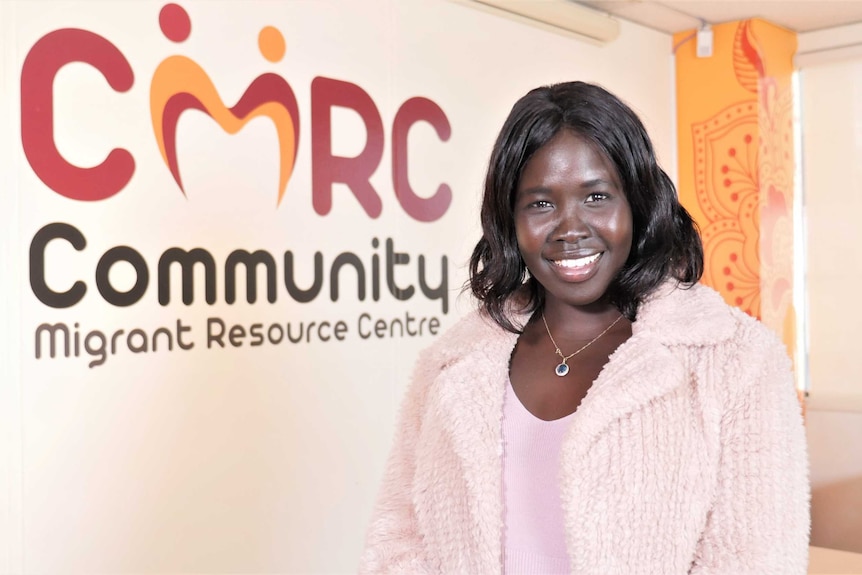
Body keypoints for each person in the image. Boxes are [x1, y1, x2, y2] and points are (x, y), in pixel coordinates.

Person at [358, 81, 809, 575]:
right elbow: (400, 542)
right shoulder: (451, 364)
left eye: (596, 196)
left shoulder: (736, 361)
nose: (570, 229)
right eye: (541, 204)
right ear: (510, 220)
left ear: (637, 204)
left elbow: (755, 561)